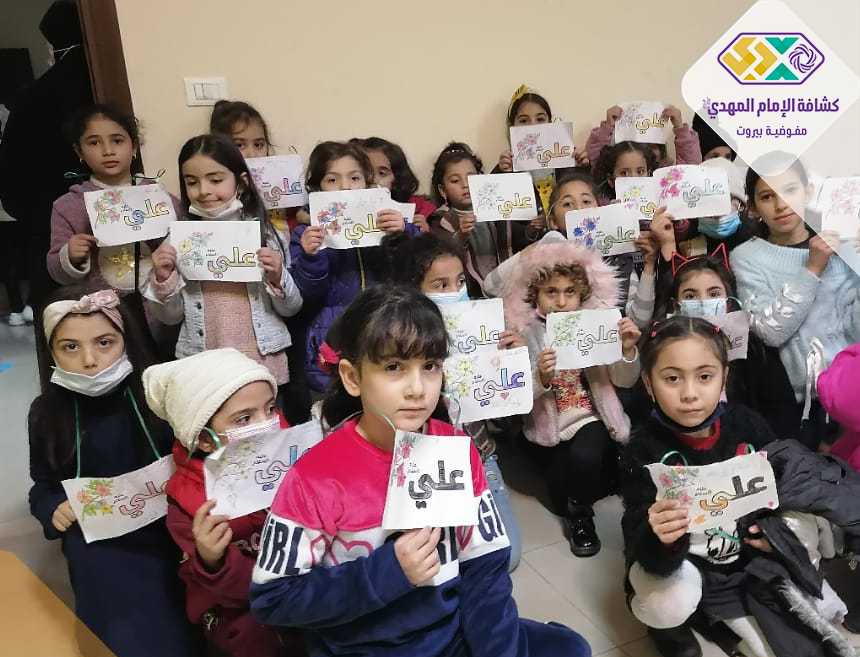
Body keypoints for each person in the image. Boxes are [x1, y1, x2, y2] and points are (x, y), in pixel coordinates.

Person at [249, 285, 592, 657]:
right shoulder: (314, 478)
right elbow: (274, 599)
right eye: (393, 367)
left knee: (570, 648)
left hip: (451, 635)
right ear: (352, 377)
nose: (417, 390)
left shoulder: (455, 448)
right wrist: (386, 572)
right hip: (365, 648)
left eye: (429, 367)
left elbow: (485, 570)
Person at [620, 316, 854, 657]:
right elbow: (638, 545)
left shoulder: (746, 425)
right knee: (667, 603)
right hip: (685, 563)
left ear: (724, 377)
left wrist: (772, 534)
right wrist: (661, 538)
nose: (689, 394)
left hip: (740, 555)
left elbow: (779, 490)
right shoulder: (642, 451)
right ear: (648, 382)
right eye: (672, 378)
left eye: (705, 376)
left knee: (801, 531)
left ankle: (727, 607)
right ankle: (668, 627)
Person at [28, 287, 194, 657]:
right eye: (70, 347)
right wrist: (53, 507)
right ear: (50, 352)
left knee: (178, 630)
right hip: (99, 544)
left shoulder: (158, 397)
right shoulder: (46, 413)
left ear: (126, 341)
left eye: (104, 343)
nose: (90, 360)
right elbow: (42, 485)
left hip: (168, 531)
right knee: (117, 635)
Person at [143, 348, 305, 657]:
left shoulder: (293, 453)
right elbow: (236, 591)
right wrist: (213, 560)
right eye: (244, 418)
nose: (267, 423)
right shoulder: (190, 505)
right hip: (242, 613)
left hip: (305, 591)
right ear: (205, 440)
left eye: (270, 408)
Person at [381, 231, 523, 571]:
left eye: (460, 281)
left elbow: (509, 410)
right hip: (420, 463)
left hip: (478, 456)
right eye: (440, 284)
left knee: (507, 556)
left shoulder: (483, 330)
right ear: (413, 291)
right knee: (432, 563)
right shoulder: (395, 346)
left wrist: (514, 362)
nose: (455, 291)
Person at [144, 134, 303, 419]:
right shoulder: (178, 240)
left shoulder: (267, 234)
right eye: (192, 182)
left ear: (241, 182)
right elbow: (169, 317)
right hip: (207, 367)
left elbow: (291, 308)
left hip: (262, 363)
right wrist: (163, 278)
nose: (204, 190)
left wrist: (278, 277)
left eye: (215, 180)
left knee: (267, 433)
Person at [502, 239, 640, 556]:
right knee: (558, 488)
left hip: (592, 416)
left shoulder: (597, 324)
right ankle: (582, 492)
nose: (561, 301)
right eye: (551, 292)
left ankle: (581, 515)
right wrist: (539, 375)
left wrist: (627, 350)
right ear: (535, 294)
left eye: (570, 292)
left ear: (582, 294)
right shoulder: (525, 333)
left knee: (585, 457)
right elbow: (517, 399)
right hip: (548, 426)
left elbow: (625, 379)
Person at [730, 154, 860, 449]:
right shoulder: (746, 257)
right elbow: (770, 331)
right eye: (767, 196)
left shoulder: (843, 246)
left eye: (790, 190)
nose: (781, 205)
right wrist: (812, 268)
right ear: (753, 207)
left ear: (808, 191)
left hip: (854, 389)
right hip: (803, 406)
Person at [289, 140, 411, 393]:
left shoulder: (388, 222)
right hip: (332, 340)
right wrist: (312, 256)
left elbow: (414, 272)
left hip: (386, 332)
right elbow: (304, 296)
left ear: (367, 182)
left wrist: (404, 234)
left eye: (354, 178)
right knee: (336, 406)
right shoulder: (306, 234)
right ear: (317, 187)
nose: (345, 186)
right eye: (332, 180)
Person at [0, 0, 93, 310]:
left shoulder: (31, 99)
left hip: (45, 225)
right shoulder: (109, 82)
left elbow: (11, 186)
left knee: (61, 316)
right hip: (113, 230)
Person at [46, 104, 176, 293]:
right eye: (94, 143)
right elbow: (56, 272)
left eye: (117, 140)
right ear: (79, 152)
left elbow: (185, 241)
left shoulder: (157, 196)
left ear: (134, 146)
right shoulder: (68, 206)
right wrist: (70, 256)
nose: (108, 151)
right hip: (103, 306)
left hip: (158, 301)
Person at [428, 142, 518, 297]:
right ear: (443, 190)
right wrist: (461, 235)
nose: (465, 185)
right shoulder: (440, 219)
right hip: (471, 291)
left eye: (471, 178)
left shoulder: (496, 208)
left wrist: (533, 229)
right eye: (455, 181)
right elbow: (443, 256)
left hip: (506, 283)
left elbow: (517, 238)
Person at [353, 137, 436, 232]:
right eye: (365, 171)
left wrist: (420, 233)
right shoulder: (341, 208)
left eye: (382, 173)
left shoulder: (417, 212)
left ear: (396, 178)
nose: (373, 179)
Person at [586, 103, 702, 169]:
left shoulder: (667, 177)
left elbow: (690, 169)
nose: (644, 153)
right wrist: (607, 126)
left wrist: (680, 128)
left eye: (651, 146)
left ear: (661, 151)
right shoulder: (611, 182)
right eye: (638, 146)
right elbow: (597, 161)